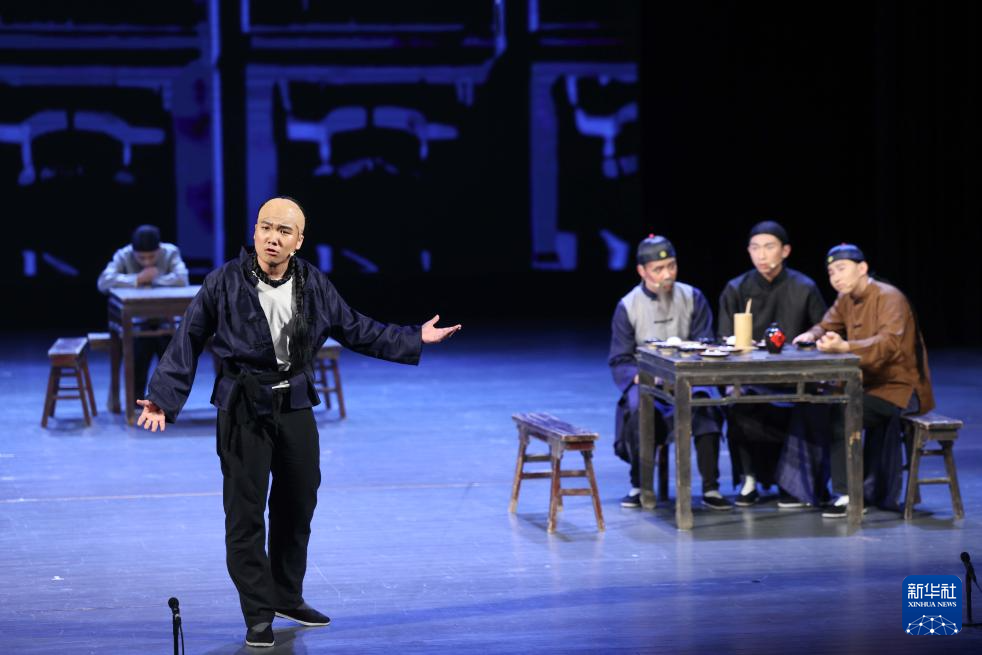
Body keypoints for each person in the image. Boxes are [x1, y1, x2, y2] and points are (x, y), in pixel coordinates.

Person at [135, 197, 461, 647]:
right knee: (245, 515)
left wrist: (413, 337)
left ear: (298, 241)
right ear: (254, 232)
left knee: (298, 504)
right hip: (244, 406)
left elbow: (355, 328)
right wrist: (162, 398)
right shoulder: (223, 282)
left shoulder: (312, 283)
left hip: (295, 404)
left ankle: (287, 595)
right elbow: (187, 337)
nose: (273, 237)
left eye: (283, 231)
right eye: (266, 227)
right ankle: (258, 613)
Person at [793, 243, 934, 518]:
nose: (836, 277)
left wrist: (845, 347)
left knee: (843, 413)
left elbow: (889, 344)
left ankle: (848, 495)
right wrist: (811, 334)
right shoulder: (846, 298)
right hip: (865, 385)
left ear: (862, 268)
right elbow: (826, 324)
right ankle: (808, 489)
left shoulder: (889, 297)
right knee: (814, 406)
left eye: (841, 269)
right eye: (831, 272)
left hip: (898, 389)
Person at [609, 235, 732, 511]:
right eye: (658, 269)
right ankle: (640, 484)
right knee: (638, 407)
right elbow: (620, 359)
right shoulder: (628, 305)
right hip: (649, 385)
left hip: (689, 381)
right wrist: (642, 376)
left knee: (706, 403)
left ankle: (711, 487)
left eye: (671, 266)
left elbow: (705, 343)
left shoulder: (692, 297)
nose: (667, 275)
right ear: (642, 271)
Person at [717, 221, 828, 507]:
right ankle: (749, 479)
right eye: (755, 248)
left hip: (795, 379)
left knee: (812, 406)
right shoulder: (736, 288)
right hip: (751, 378)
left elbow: (823, 325)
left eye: (769, 247)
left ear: (785, 251)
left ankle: (796, 483)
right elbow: (725, 337)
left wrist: (811, 334)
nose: (761, 255)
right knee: (737, 403)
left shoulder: (804, 286)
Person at [97, 224, 189, 402]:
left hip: (167, 321)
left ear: (159, 249)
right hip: (135, 324)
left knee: (171, 357)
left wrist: (154, 278)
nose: (147, 262)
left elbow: (182, 278)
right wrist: (137, 279)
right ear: (133, 252)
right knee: (138, 352)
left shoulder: (170, 252)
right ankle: (135, 403)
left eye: (151, 257)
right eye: (141, 258)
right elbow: (104, 282)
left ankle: (167, 404)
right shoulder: (123, 255)